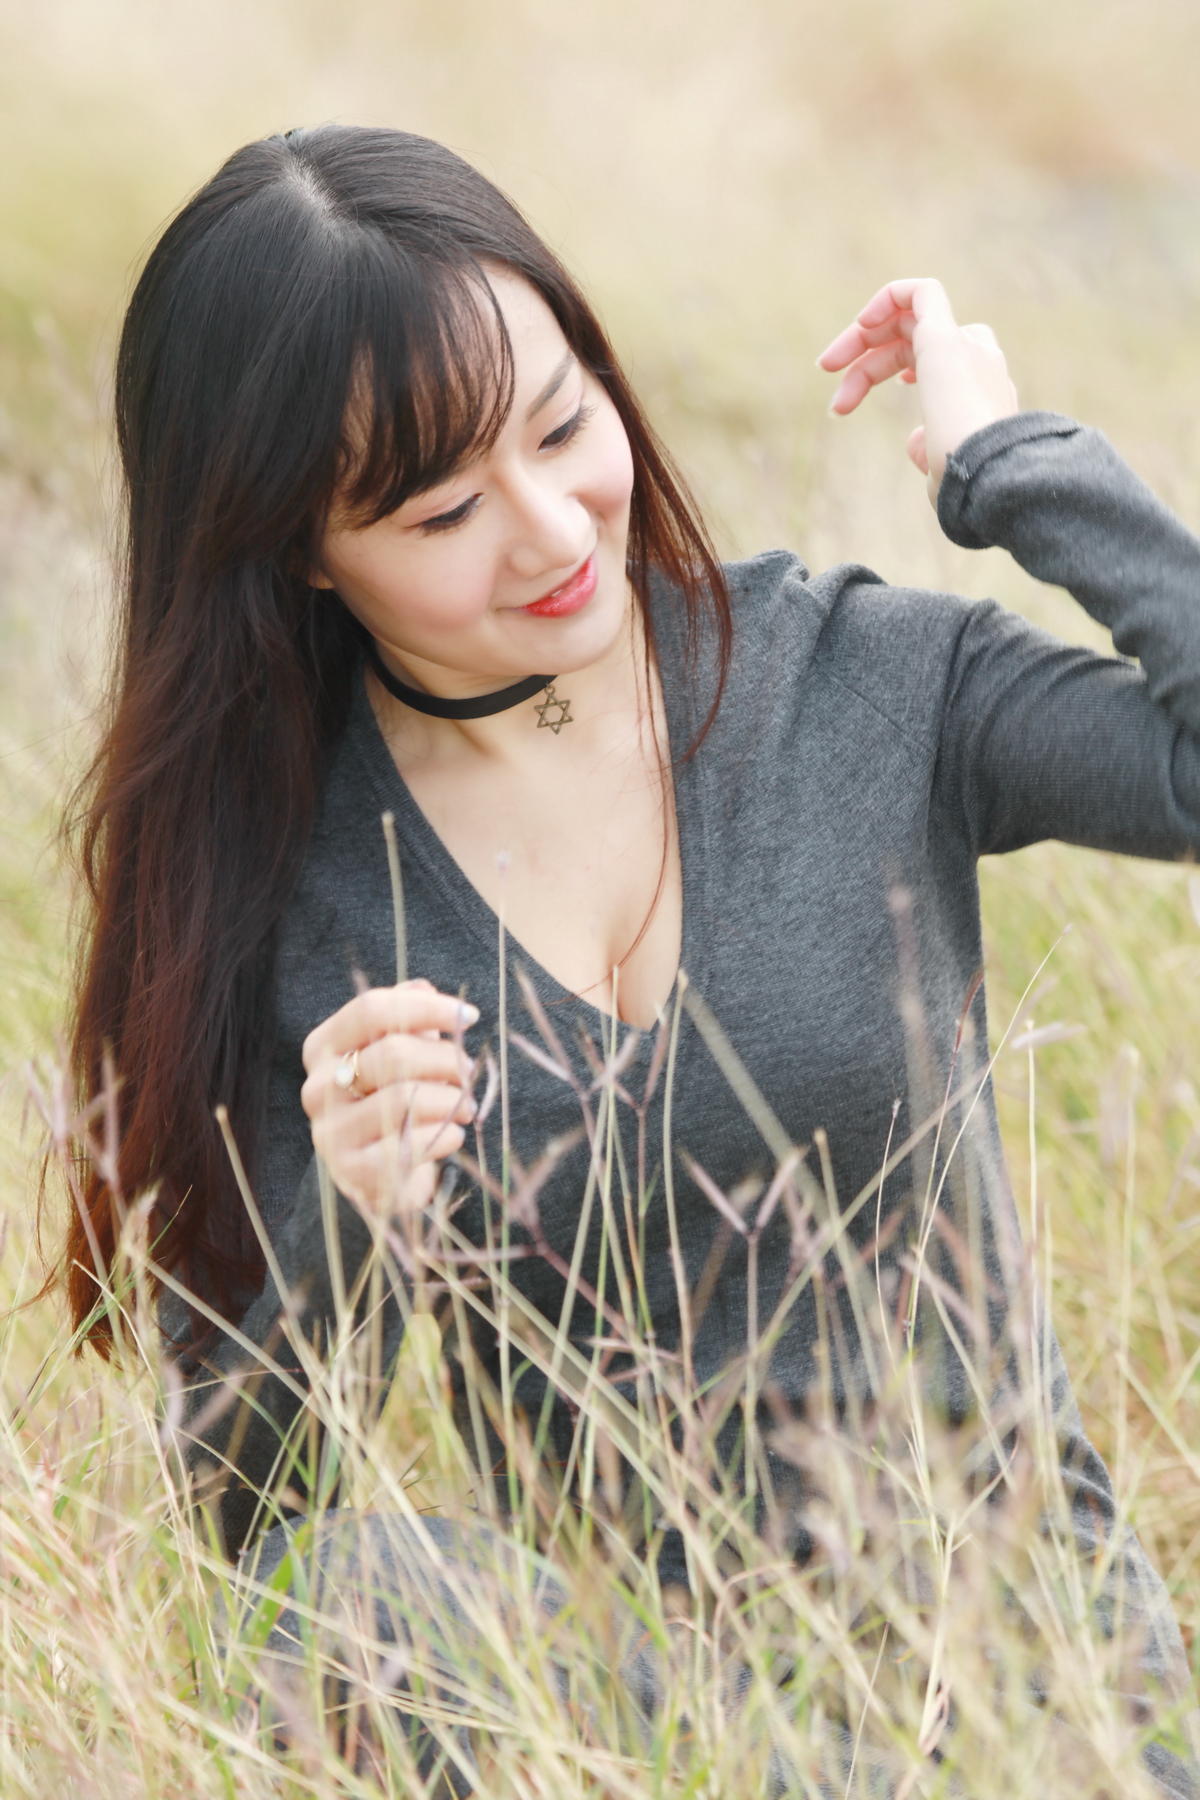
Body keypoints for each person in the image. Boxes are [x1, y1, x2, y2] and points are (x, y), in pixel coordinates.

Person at [53, 123, 1200, 1794]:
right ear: (301, 546)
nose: (550, 530)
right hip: (660, 1722)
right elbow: (253, 1522)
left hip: (1037, 1681)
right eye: (444, 508)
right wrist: (346, 1224)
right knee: (355, 1598)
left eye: (563, 423)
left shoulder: (858, 680)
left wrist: (1013, 464)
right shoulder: (299, 893)